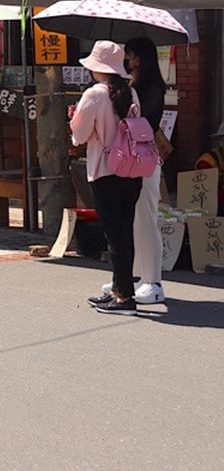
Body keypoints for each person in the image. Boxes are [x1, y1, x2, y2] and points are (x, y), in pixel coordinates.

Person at [70, 41, 143, 316]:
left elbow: (79, 135)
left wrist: (75, 119)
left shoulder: (95, 94)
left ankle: (124, 297)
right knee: (125, 231)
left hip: (105, 170)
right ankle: (119, 289)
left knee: (115, 235)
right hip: (132, 170)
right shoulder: (131, 92)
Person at [106, 36, 165, 304]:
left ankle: (153, 280)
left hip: (144, 159)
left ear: (139, 58)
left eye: (128, 55)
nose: (125, 60)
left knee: (146, 218)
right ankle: (134, 276)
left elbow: (138, 120)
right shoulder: (134, 85)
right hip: (131, 159)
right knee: (131, 219)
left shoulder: (152, 88)